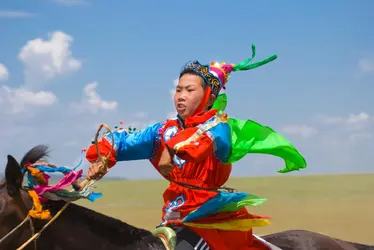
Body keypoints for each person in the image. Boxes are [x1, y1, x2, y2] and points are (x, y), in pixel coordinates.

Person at [85, 44, 307, 250]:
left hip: (212, 220)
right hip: (174, 216)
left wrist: (170, 149)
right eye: (178, 90)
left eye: (189, 90)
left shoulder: (220, 127)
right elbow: (122, 142)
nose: (181, 97)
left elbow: (203, 141)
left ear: (209, 97)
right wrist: (102, 159)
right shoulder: (161, 131)